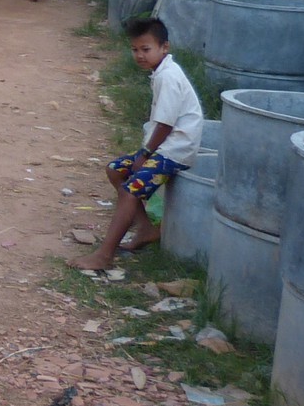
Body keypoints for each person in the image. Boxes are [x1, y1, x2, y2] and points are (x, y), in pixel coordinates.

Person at [72, 18, 205, 271]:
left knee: (132, 189)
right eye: (135, 50)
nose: (140, 55)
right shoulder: (162, 72)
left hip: (174, 151)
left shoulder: (168, 76)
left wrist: (145, 153)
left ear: (164, 47)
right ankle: (145, 228)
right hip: (165, 146)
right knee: (115, 169)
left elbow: (165, 125)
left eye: (146, 49)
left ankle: (104, 255)